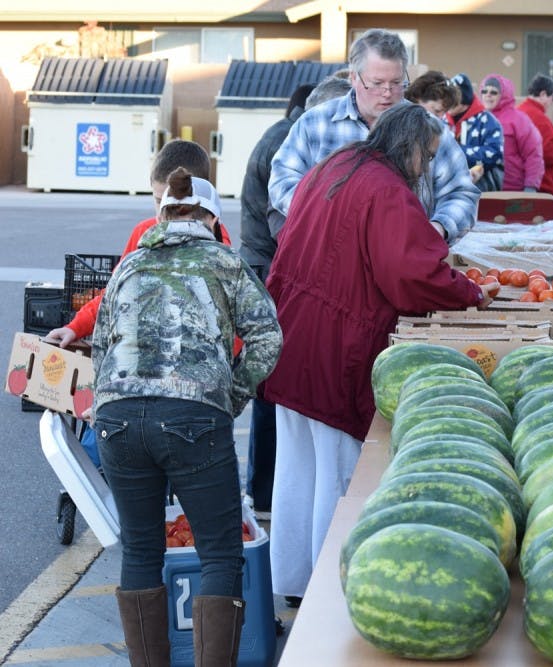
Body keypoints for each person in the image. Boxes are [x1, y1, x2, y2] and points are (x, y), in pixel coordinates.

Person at [262, 104, 489, 604]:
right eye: (427, 157)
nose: (427, 168)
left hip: (291, 328)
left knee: (296, 463)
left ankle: (294, 582)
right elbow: (410, 272)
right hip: (337, 338)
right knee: (341, 471)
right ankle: (330, 589)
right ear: (408, 146)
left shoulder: (335, 165)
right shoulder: (386, 189)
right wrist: (467, 292)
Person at [91, 168, 282, 666]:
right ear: (212, 220)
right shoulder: (225, 262)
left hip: (117, 417)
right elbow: (268, 338)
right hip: (194, 416)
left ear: (162, 217)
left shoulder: (129, 266)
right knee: (219, 555)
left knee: (140, 552)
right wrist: (232, 396)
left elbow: (100, 347)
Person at [239, 78, 351, 522]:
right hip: (272, 270)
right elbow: (286, 223)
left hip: (270, 266)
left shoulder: (282, 135)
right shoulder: (287, 145)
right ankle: (263, 492)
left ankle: (267, 490)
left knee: (278, 385)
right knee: (275, 385)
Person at [269, 28, 479, 245]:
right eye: (377, 83)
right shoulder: (315, 123)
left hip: (407, 260)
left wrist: (439, 228)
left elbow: (461, 193)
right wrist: (325, 217)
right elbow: (282, 182)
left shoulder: (431, 130)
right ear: (353, 78)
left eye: (397, 83)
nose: (387, 92)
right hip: (332, 256)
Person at [46, 140, 229, 348]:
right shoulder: (144, 233)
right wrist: (75, 327)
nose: (163, 213)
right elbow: (114, 293)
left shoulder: (218, 242)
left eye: (174, 203)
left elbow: (232, 315)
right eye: (159, 201)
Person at [479, 73, 543, 192]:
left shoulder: (519, 120)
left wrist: (530, 186)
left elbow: (533, 154)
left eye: (494, 92)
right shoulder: (477, 119)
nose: (488, 95)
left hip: (511, 190)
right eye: (484, 91)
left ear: (504, 95)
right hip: (483, 189)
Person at [447, 72, 505, 191]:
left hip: (480, 189)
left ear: (464, 100)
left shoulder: (487, 121)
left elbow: (494, 153)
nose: (448, 105)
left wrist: (457, 154)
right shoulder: (442, 119)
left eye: (453, 100)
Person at [518, 73, 553, 195]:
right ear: (543, 94)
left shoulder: (518, 112)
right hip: (541, 187)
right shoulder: (540, 121)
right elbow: (550, 154)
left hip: (518, 182)